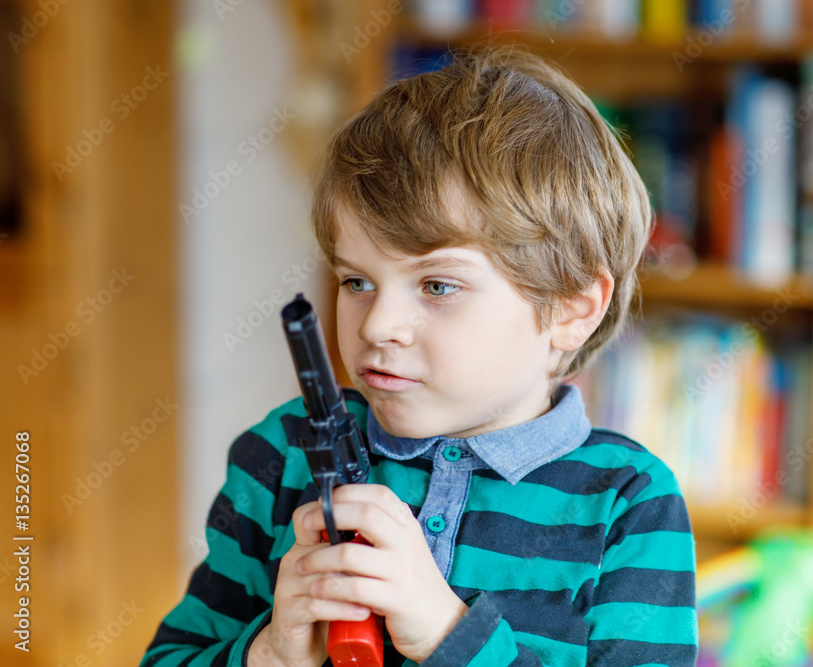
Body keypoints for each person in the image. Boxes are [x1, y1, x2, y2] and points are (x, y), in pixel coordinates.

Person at [141, 44, 697, 667]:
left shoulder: (630, 504)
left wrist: (449, 636)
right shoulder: (281, 457)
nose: (378, 325)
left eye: (437, 286)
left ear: (570, 307)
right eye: (357, 282)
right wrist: (269, 653)